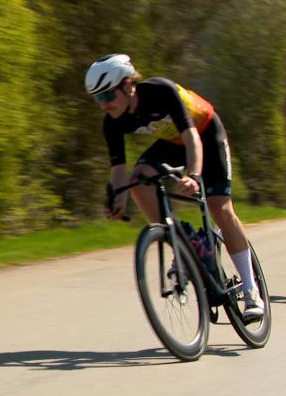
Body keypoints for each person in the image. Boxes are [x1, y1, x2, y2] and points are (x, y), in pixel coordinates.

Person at [84, 53, 264, 320]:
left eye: (107, 96)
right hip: (172, 144)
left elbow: (192, 137)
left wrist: (194, 175)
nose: (103, 105)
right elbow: (118, 170)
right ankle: (183, 240)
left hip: (205, 135)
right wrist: (118, 200)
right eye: (98, 99)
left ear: (127, 85)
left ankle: (251, 291)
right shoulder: (113, 122)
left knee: (219, 207)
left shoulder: (161, 91)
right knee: (138, 180)